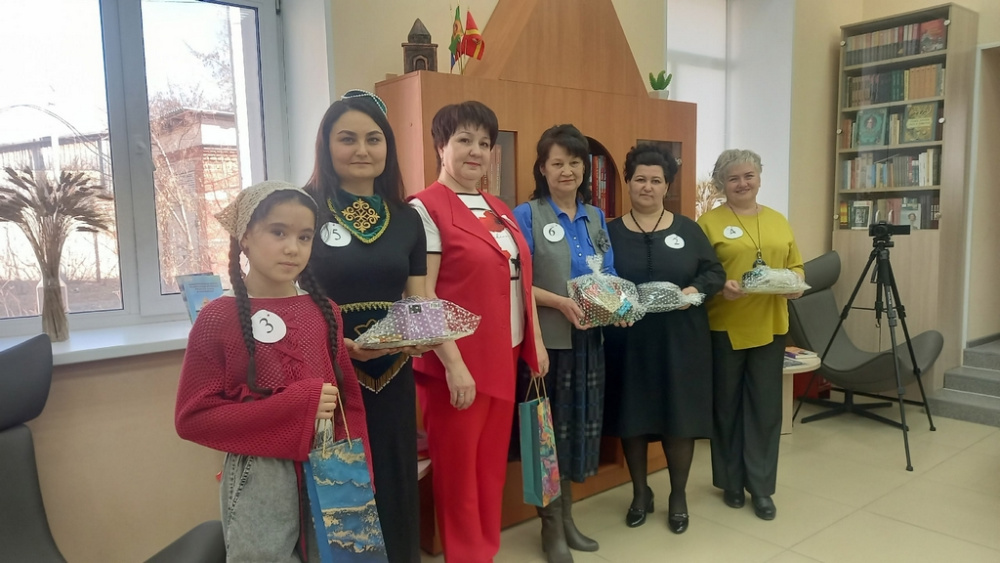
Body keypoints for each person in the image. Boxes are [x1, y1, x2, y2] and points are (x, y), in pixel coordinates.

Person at [175, 181, 372, 561]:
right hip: (260, 473)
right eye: (278, 232)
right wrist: (295, 405)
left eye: (304, 236)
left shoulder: (325, 311)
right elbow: (192, 418)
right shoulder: (217, 318)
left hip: (332, 459)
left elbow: (349, 402)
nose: (292, 248)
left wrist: (360, 472)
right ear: (245, 237)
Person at [409, 100, 549, 562]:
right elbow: (422, 294)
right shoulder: (424, 209)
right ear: (441, 146)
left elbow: (520, 280)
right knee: (459, 477)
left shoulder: (496, 207)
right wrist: (454, 365)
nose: (476, 151)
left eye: (484, 143)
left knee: (489, 470)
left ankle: (484, 552)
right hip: (457, 364)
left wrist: (536, 343)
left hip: (503, 357)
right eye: (464, 140)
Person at [304, 90, 427, 562]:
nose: (362, 150)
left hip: (394, 375)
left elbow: (416, 300)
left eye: (374, 139)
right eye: (347, 139)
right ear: (326, 145)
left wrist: (419, 336)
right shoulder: (304, 208)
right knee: (342, 487)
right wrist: (341, 346)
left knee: (396, 481)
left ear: (388, 147)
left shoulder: (408, 218)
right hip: (328, 377)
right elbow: (287, 295)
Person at [603, 144, 725, 534]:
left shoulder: (688, 229)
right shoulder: (608, 232)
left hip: (681, 339)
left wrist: (694, 290)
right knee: (632, 418)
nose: (648, 186)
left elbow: (715, 272)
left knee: (679, 419)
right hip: (629, 341)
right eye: (640, 179)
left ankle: (678, 496)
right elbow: (599, 280)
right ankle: (640, 493)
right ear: (628, 182)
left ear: (667, 185)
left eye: (656, 180)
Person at [512, 124, 612, 561]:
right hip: (547, 345)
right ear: (542, 168)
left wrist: (618, 304)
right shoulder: (526, 215)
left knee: (573, 436)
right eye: (557, 163)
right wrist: (558, 301)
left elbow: (608, 273)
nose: (567, 170)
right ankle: (550, 527)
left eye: (575, 162)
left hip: (589, 341)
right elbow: (514, 282)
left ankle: (568, 518)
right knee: (545, 436)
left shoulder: (595, 216)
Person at [697, 149, 804, 521]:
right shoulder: (708, 223)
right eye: (733, 178)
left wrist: (795, 284)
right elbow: (698, 274)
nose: (742, 184)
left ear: (759, 178)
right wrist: (719, 287)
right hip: (725, 326)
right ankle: (730, 481)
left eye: (749, 176)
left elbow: (795, 265)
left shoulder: (778, 220)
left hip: (770, 325)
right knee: (726, 407)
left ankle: (761, 487)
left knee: (764, 410)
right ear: (721, 183)